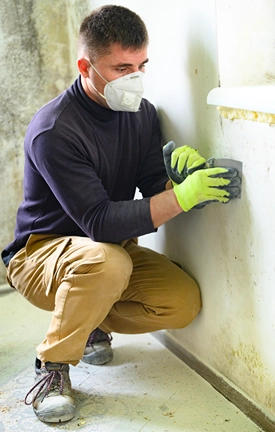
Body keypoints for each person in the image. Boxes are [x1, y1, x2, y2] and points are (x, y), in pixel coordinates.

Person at [1, 5, 240, 424]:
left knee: (181, 302)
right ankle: (52, 368)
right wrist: (181, 199)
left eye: (142, 65)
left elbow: (153, 188)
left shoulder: (142, 114)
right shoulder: (55, 129)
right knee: (108, 261)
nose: (135, 77)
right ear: (85, 66)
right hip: (41, 256)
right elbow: (98, 221)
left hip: (103, 255)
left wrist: (183, 181)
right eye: (122, 67)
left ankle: (88, 319)